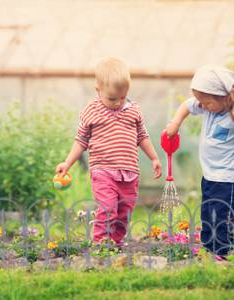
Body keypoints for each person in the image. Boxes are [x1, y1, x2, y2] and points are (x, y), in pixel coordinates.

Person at [56, 57, 162, 247]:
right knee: (108, 207)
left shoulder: (133, 110)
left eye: (122, 97)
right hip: (103, 170)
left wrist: (154, 157)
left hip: (129, 172)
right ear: (98, 90)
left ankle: (115, 241)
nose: (118, 103)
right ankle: (100, 241)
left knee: (125, 210)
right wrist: (67, 163)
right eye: (112, 98)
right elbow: (81, 140)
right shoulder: (92, 111)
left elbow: (142, 136)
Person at [166, 65, 234, 256]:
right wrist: (175, 123)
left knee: (222, 214)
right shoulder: (207, 106)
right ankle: (208, 247)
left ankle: (221, 252)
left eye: (206, 102)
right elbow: (187, 105)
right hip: (210, 174)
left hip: (227, 178)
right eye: (200, 102)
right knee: (208, 211)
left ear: (225, 97)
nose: (202, 106)